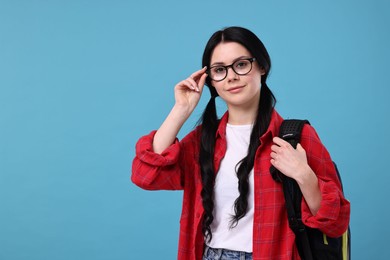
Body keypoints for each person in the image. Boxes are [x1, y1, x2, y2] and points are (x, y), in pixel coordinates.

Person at [131, 26, 350, 260]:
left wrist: (304, 175)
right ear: (211, 81)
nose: (231, 76)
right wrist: (181, 110)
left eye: (241, 64)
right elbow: (146, 175)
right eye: (219, 70)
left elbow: (335, 223)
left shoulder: (297, 137)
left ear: (262, 67)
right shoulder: (203, 140)